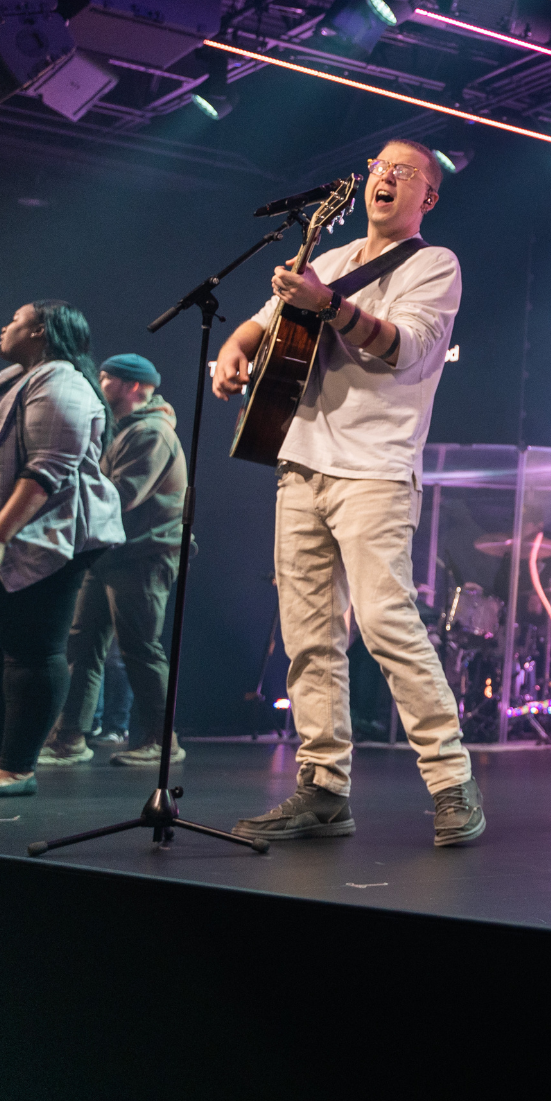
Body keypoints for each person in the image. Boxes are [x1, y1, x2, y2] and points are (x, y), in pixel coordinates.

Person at [212, 139, 484, 847]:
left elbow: (405, 348)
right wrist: (236, 349)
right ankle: (323, 789)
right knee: (308, 636)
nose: (384, 179)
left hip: (375, 471)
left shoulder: (434, 265)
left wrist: (328, 305)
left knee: (389, 626)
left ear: (428, 196)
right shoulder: (325, 261)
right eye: (378, 169)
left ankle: (453, 782)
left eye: (404, 173)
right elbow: (259, 322)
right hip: (299, 463)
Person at [0, 302, 124, 796]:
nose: (4, 326)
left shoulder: (61, 381)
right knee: (14, 651)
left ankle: (18, 769)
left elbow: (47, 470)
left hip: (56, 535)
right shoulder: (20, 377)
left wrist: (2, 533)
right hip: (28, 532)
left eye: (14, 319)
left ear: (39, 332)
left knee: (34, 651)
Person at [39, 352, 186, 769]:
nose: (97, 383)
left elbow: (121, 497)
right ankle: (69, 738)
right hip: (109, 555)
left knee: (140, 648)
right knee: (82, 646)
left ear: (133, 386)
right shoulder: (121, 430)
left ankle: (162, 741)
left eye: (105, 378)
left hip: (143, 555)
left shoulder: (152, 433)